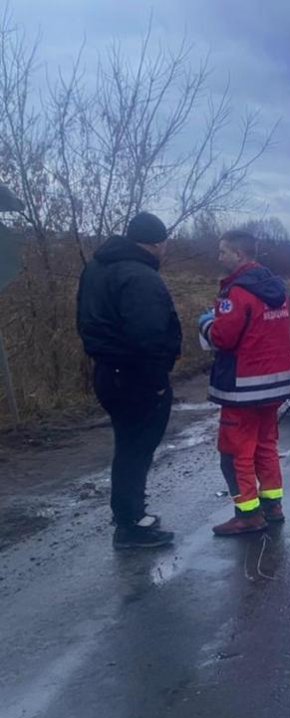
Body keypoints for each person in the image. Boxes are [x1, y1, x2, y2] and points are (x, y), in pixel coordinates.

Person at [76, 211, 180, 549]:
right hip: (137, 376)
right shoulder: (140, 276)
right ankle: (130, 526)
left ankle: (130, 513)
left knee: (128, 446)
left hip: (108, 372)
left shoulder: (97, 268)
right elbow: (149, 337)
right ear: (157, 243)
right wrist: (158, 382)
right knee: (136, 450)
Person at [199, 230, 290, 536]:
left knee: (235, 452)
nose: (219, 257)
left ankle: (248, 514)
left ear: (238, 255)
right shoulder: (277, 288)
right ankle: (272, 507)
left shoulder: (237, 293)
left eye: (223, 252)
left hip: (243, 387)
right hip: (276, 384)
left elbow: (223, 338)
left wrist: (206, 324)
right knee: (266, 446)